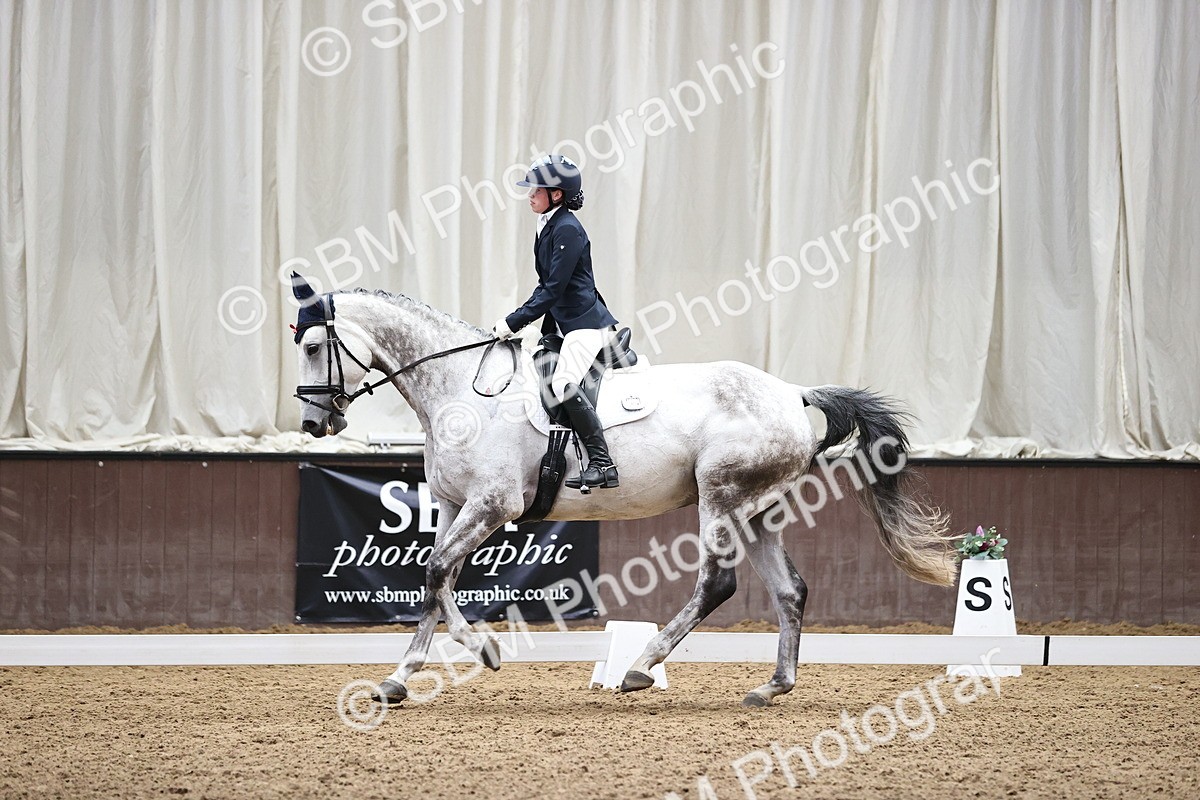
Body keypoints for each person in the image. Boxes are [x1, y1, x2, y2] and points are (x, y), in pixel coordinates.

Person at [492, 154, 620, 490]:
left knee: (564, 383)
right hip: (563, 323)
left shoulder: (567, 229)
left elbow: (553, 288)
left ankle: (603, 463)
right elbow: (546, 286)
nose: (530, 194)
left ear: (557, 194)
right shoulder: (548, 224)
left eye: (536, 189)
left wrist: (514, 321)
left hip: (585, 324)